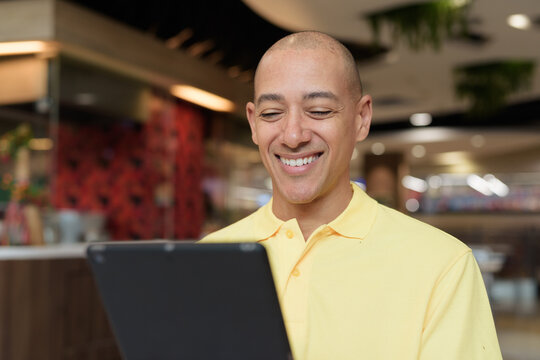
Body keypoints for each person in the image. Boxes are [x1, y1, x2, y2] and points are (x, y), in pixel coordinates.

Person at [201, 31, 502, 360]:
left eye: (318, 111)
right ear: (253, 124)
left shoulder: (443, 266)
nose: (292, 135)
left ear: (361, 118)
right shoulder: (205, 260)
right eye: (272, 113)